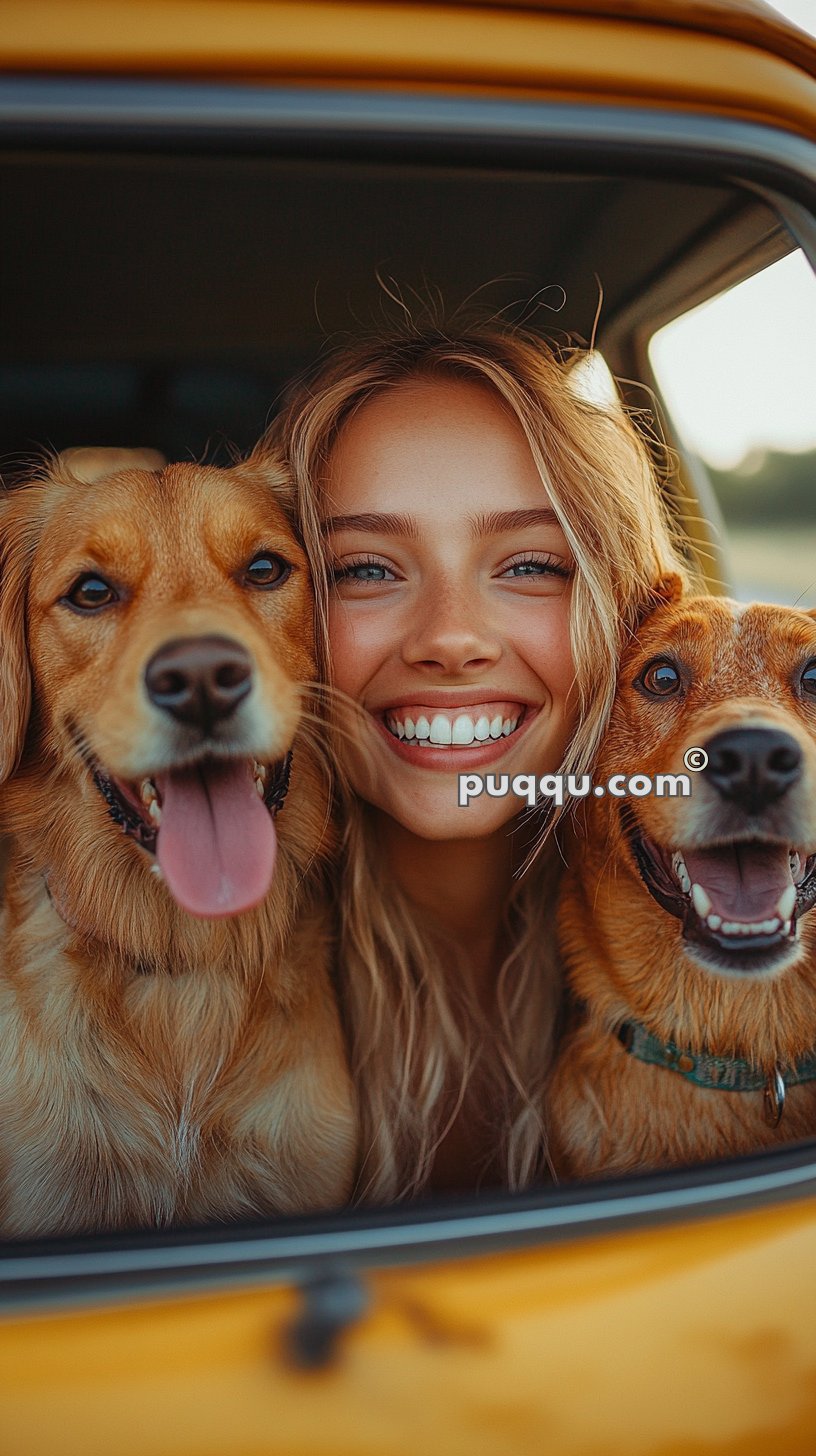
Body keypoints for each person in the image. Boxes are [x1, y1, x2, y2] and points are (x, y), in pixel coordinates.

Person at [271, 322, 691, 1202]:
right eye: (364, 571)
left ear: (625, 611)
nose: (451, 638)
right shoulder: (164, 994)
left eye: (532, 564)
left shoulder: (740, 924)